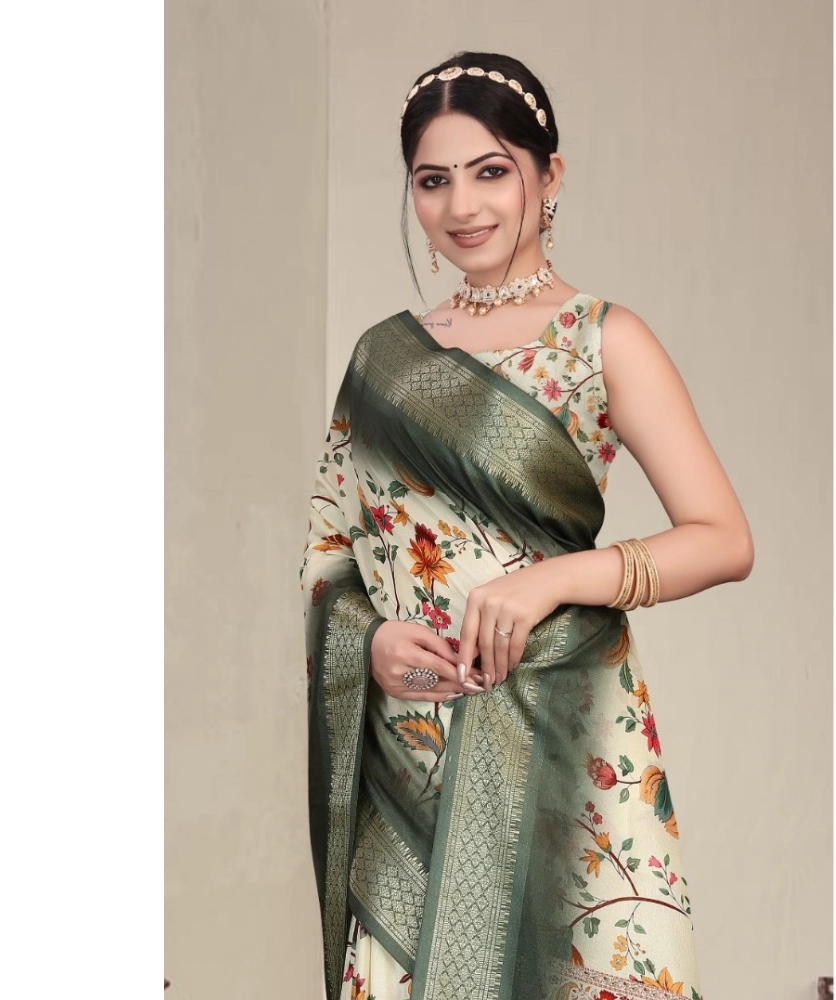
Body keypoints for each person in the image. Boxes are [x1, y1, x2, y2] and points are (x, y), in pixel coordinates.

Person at [300, 51, 753, 1000]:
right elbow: (329, 556)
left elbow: (722, 538)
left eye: (490, 171)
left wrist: (551, 579)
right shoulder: (382, 361)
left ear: (549, 178)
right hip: (410, 754)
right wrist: (370, 643)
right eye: (433, 180)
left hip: (561, 741)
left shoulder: (601, 339)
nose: (462, 206)